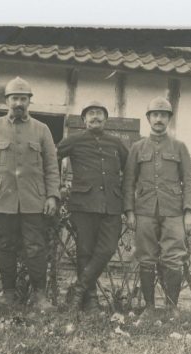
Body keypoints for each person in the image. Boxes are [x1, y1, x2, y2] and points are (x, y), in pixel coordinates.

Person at [0, 77, 60, 311]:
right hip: (1, 199)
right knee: (5, 246)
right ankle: (9, 295)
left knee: (35, 247)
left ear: (29, 102)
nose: (18, 103)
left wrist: (52, 196)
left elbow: (52, 167)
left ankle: (40, 297)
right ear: (6, 101)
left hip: (33, 200)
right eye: (14, 98)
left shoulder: (42, 130)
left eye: (23, 98)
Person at [123, 97, 191, 318]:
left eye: (163, 115)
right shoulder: (137, 148)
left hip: (173, 211)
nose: (159, 119)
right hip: (144, 210)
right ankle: (150, 308)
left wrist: (188, 211)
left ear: (168, 119)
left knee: (174, 257)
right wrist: (129, 211)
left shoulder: (179, 147)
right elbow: (128, 181)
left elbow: (189, 180)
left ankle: (172, 308)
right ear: (148, 118)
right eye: (154, 115)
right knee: (146, 257)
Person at [57, 101, 129, 313]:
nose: (95, 117)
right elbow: (52, 157)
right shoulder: (73, 141)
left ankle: (79, 289)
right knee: (85, 252)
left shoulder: (116, 143)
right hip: (83, 204)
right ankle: (91, 301)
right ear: (84, 120)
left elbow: (130, 169)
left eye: (99, 113)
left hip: (111, 205)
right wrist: (58, 185)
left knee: (107, 249)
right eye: (91, 114)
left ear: (106, 120)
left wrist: (124, 193)